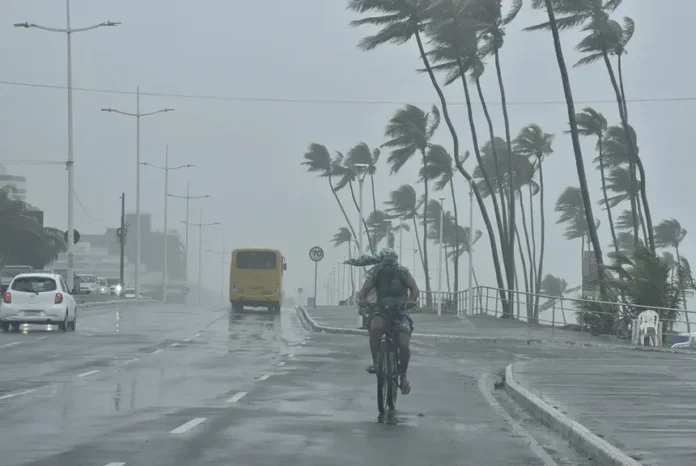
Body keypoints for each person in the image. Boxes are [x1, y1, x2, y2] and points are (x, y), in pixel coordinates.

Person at [357, 248, 419, 395]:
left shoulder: (403, 272)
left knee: (403, 343)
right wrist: (363, 301)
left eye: (392, 264)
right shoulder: (376, 272)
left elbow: (414, 289)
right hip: (381, 309)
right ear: (382, 262)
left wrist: (411, 301)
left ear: (396, 263)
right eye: (386, 264)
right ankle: (376, 362)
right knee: (375, 328)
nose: (389, 267)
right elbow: (364, 291)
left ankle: (403, 376)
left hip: (400, 311)